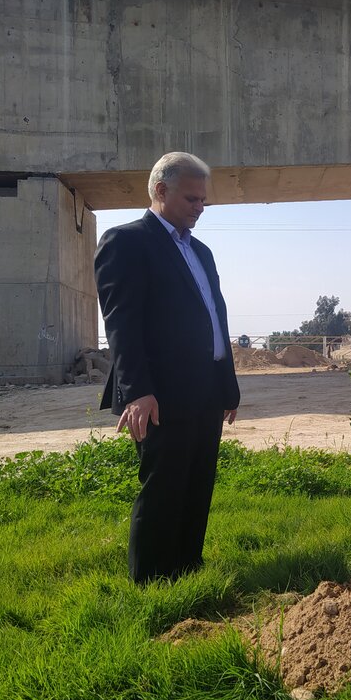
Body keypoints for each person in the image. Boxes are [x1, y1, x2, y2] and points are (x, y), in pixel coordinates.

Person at [94, 152, 241, 584]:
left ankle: (187, 569)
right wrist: (137, 390)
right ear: (160, 190)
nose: (200, 208)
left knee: (198, 484)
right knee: (164, 488)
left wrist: (227, 387)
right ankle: (152, 583)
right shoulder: (127, 243)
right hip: (160, 394)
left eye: (203, 202)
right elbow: (122, 323)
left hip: (206, 390)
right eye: (192, 199)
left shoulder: (202, 252)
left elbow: (217, 317)